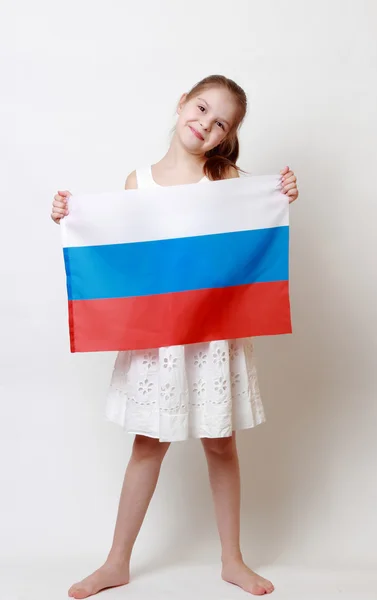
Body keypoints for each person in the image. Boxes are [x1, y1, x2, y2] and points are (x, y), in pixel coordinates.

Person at [51, 74, 299, 598]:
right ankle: (116, 562)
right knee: (148, 443)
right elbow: (124, 253)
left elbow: (250, 233)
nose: (205, 123)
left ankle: (232, 559)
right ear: (183, 101)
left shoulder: (228, 177)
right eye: (202, 107)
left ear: (224, 136)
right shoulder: (137, 182)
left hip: (211, 334)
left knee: (221, 443)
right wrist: (72, 219)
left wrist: (282, 197)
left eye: (219, 123)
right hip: (159, 339)